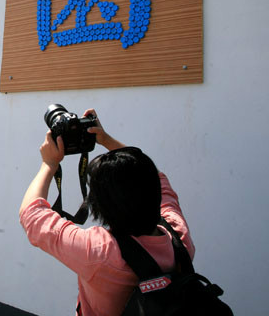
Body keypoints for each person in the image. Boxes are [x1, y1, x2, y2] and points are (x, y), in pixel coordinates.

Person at [19, 109, 195, 316]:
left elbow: (31, 215)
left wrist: (48, 164)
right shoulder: (178, 234)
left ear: (98, 207)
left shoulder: (100, 252)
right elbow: (159, 180)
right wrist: (106, 139)